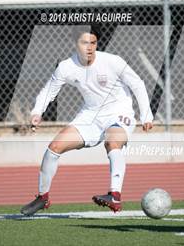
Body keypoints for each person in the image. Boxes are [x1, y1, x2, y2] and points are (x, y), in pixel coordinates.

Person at [21, 26, 153, 216]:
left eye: (93, 42)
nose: (89, 47)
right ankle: (43, 197)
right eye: (84, 43)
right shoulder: (66, 67)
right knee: (54, 147)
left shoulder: (113, 61)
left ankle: (114, 195)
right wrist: (37, 112)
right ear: (76, 44)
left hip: (119, 112)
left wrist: (146, 115)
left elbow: (137, 84)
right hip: (90, 116)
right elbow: (49, 91)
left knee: (112, 141)